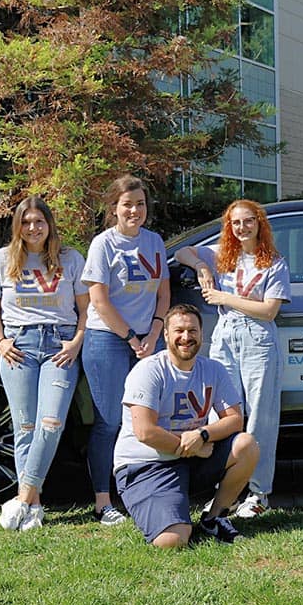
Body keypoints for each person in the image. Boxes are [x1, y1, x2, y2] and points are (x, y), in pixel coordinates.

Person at [175, 199, 290, 518]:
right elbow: (183, 252)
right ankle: (223, 493)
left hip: (258, 336)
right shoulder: (220, 253)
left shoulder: (274, 261)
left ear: (259, 223)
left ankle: (258, 493)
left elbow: (269, 310)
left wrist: (225, 297)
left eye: (248, 221)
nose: (242, 228)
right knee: (223, 414)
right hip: (225, 335)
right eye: (235, 222)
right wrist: (200, 266)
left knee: (260, 417)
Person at [113, 304, 260, 547]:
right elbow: (145, 432)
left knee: (246, 444)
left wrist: (203, 435)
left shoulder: (213, 369)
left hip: (191, 457)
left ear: (202, 334)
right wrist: (191, 446)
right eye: (179, 330)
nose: (186, 337)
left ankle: (214, 518)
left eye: (192, 330)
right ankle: (162, 510)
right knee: (171, 541)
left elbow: (235, 419)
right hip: (148, 465)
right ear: (166, 335)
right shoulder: (149, 371)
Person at [0, 196, 88, 531]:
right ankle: (35, 506)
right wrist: (0, 342)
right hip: (19, 346)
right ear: (18, 225)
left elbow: (87, 310)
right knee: (25, 427)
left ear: (49, 223)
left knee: (52, 422)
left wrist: (76, 342)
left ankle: (23, 497)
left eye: (38, 221)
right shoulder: (2, 259)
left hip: (60, 346)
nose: (32, 228)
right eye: (26, 222)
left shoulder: (70, 259)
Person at [81, 175, 170, 525]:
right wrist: (133, 339)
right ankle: (104, 502)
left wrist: (155, 333)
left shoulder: (155, 242)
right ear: (114, 208)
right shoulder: (103, 245)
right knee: (109, 422)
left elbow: (163, 293)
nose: (134, 210)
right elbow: (99, 302)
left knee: (150, 419)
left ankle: (150, 490)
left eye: (140, 204)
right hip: (108, 339)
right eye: (127, 204)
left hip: (150, 338)